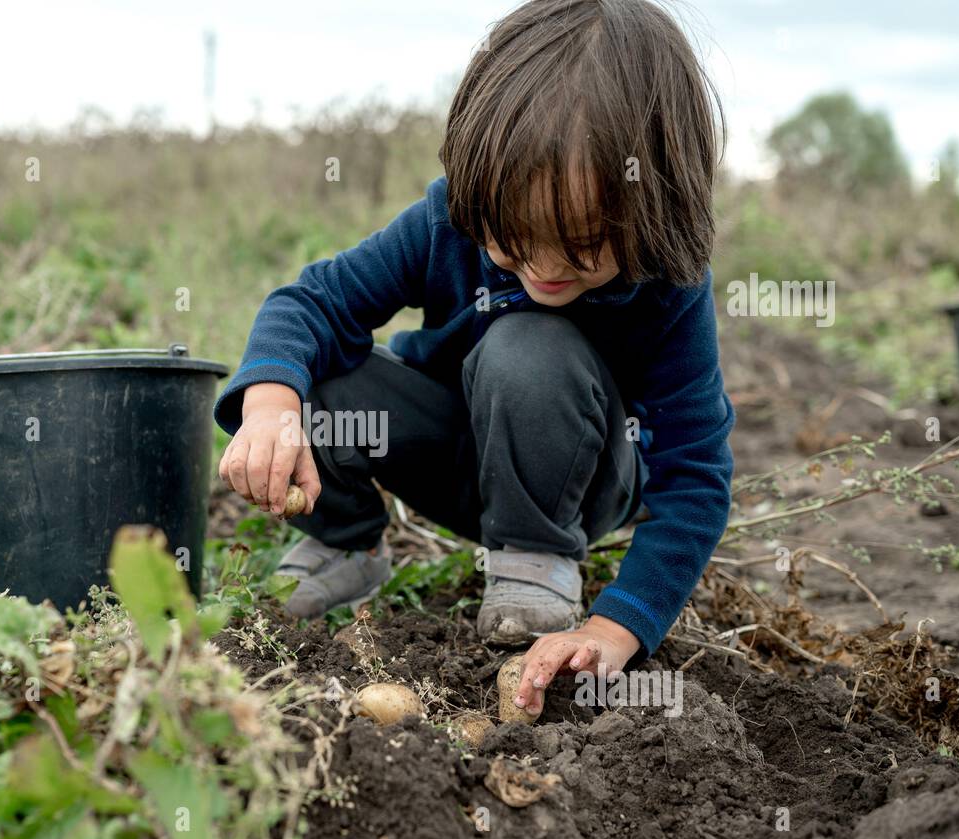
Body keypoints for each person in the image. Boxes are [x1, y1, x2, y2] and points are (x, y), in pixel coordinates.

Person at [215, 0, 735, 719]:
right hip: (455, 453)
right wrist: (270, 405)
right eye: (512, 238)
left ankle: (534, 561)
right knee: (321, 372)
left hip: (577, 477)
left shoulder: (669, 289)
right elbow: (311, 302)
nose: (544, 268)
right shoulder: (448, 218)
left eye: (583, 244)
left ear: (655, 206)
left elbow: (696, 477)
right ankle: (346, 546)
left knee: (531, 342)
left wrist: (616, 629)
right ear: (477, 189)